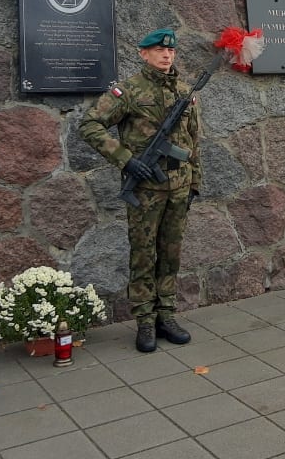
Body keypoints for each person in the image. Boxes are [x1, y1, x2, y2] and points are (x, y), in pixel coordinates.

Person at [79, 29, 201, 352]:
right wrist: (126, 160)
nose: (166, 55)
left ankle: (166, 315)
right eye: (159, 50)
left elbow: (193, 141)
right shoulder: (129, 91)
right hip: (146, 189)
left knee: (171, 254)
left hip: (179, 187)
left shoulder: (185, 91)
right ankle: (145, 320)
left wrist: (195, 182)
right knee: (144, 255)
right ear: (143, 54)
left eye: (170, 51)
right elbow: (89, 124)